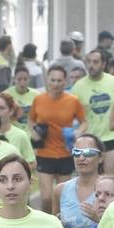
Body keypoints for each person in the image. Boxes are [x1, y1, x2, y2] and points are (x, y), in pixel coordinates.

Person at [28, 65, 86, 209]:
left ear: (65, 82)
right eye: (53, 80)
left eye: (59, 81)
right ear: (47, 80)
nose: (56, 84)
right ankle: (47, 225)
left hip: (65, 152)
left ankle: (60, 226)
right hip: (44, 153)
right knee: (47, 197)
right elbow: (31, 120)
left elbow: (84, 122)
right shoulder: (39, 100)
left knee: (62, 197)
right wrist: (33, 131)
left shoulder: (73, 101)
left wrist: (78, 132)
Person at [70, 48, 114, 175]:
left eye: (95, 62)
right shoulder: (78, 87)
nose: (91, 65)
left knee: (111, 180)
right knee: (91, 182)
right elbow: (71, 115)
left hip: (112, 138)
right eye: (88, 62)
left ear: (104, 64)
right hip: (89, 140)